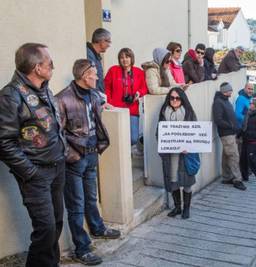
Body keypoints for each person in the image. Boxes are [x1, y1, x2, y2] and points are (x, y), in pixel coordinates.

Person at [0, 43, 66, 266]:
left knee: (56, 224)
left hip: (57, 167)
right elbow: (4, 142)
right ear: (38, 67)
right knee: (45, 230)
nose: (53, 67)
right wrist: (31, 173)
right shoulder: (10, 96)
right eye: (50, 63)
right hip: (36, 174)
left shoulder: (43, 88)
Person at [57, 59, 120, 265]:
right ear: (85, 76)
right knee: (76, 205)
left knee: (92, 198)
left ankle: (98, 228)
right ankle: (82, 248)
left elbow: (96, 115)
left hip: (92, 155)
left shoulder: (93, 94)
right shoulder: (63, 99)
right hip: (74, 160)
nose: (97, 77)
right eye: (94, 74)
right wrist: (71, 156)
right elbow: (58, 135)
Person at [158, 87, 198, 219]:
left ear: (182, 99)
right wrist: (164, 144)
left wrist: (189, 147)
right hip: (170, 155)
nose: (174, 100)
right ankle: (177, 207)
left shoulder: (189, 114)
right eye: (171, 98)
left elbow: (195, 133)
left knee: (187, 183)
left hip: (185, 155)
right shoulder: (164, 113)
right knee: (173, 181)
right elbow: (159, 133)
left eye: (177, 98)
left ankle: (186, 209)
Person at [104, 48, 148, 147]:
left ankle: (126, 152)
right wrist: (109, 102)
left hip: (132, 109)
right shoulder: (113, 70)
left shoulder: (139, 72)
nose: (124, 60)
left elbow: (144, 88)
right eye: (121, 57)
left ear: (131, 58)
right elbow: (106, 87)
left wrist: (138, 93)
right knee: (117, 137)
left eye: (127, 57)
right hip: (115, 109)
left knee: (133, 138)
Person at [212, 82, 247, 191]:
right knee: (234, 156)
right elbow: (218, 120)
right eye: (230, 90)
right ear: (224, 91)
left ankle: (227, 177)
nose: (231, 92)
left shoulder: (225, 101)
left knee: (227, 155)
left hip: (231, 133)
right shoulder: (218, 102)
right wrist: (231, 126)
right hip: (226, 133)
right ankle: (237, 179)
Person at [86, 28, 111, 94]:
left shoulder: (96, 55)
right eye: (108, 41)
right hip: (94, 98)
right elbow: (90, 80)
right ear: (101, 41)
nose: (109, 45)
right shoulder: (89, 55)